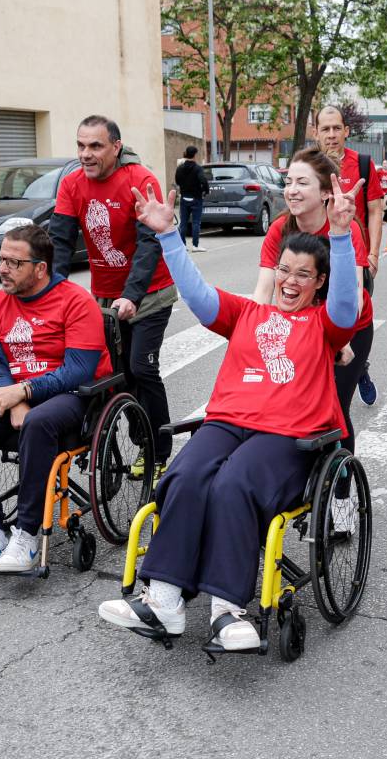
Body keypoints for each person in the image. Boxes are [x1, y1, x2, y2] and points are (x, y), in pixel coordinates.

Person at [98, 175, 364, 651]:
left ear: (319, 282)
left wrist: (341, 237)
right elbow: (197, 295)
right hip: (227, 422)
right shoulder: (246, 313)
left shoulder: (324, 325)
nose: (290, 281)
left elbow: (347, 305)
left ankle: (226, 610)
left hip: (289, 435)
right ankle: (164, 601)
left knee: (233, 485)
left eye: (303, 275)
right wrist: (168, 235)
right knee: (182, 477)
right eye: (284, 270)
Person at [0, 225, 111, 573]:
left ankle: (26, 534)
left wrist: (23, 392)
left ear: (40, 268)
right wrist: (16, 400)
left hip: (73, 396)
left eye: (14, 262)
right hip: (21, 397)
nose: (3, 269)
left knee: (38, 421)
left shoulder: (76, 301)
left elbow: (79, 370)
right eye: (1, 259)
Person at [51, 115, 177, 477]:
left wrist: (132, 295)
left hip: (149, 293)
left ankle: (156, 452)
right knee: (115, 375)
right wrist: (53, 294)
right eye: (81, 145)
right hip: (104, 296)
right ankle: (123, 440)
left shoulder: (139, 179)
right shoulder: (72, 183)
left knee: (141, 368)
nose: (85, 154)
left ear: (116, 147)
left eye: (95, 146)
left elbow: (149, 243)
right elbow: (60, 242)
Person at [252, 149, 373, 476]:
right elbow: (263, 291)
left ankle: (343, 491)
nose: (291, 190)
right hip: (301, 328)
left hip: (346, 329)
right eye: (288, 182)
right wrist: (252, 335)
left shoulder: (345, 227)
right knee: (291, 404)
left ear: (325, 193)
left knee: (335, 405)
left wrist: (339, 341)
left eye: (302, 183)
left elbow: (353, 298)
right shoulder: (280, 229)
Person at [312, 105, 386, 407]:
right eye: (325, 129)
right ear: (315, 133)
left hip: (355, 261)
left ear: (346, 131)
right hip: (316, 263)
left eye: (336, 128)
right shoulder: (308, 166)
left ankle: (357, 370)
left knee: (351, 324)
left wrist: (374, 253)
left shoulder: (363, 165)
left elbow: (375, 210)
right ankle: (347, 371)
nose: (331, 135)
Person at [174, 145, 210, 252]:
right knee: (196, 222)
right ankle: (195, 245)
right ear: (194, 155)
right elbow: (203, 181)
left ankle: (183, 245)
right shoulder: (198, 168)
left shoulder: (180, 168)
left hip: (184, 198)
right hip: (196, 198)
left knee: (183, 223)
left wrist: (183, 188)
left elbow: (177, 181)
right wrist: (205, 191)